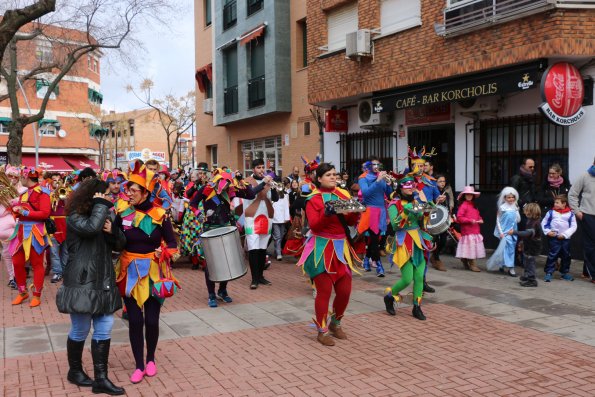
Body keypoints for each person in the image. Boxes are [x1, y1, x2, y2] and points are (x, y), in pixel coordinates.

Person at [56, 179, 126, 395]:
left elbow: (121, 244)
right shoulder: (76, 215)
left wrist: (112, 231)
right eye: (104, 194)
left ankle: (101, 379)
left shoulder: (104, 214)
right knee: (81, 328)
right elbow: (90, 228)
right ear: (94, 196)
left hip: (103, 278)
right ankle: (74, 371)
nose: (108, 198)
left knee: (104, 326)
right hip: (82, 280)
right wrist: (101, 208)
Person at [114, 161, 179, 384]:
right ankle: (139, 365)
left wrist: (167, 253)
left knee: (151, 321)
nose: (128, 193)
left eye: (133, 190)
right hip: (129, 272)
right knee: (134, 321)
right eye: (127, 189)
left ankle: (150, 359)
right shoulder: (121, 212)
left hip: (153, 272)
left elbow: (172, 243)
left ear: (145, 192)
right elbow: (115, 241)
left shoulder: (160, 214)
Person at [297, 163, 359, 346]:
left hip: (341, 248)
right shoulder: (313, 199)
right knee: (324, 292)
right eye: (329, 175)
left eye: (334, 174)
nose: (333, 177)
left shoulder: (343, 194)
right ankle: (321, 330)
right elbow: (315, 225)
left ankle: (336, 323)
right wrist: (327, 212)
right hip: (321, 248)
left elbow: (349, 221)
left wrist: (355, 213)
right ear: (320, 178)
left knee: (345, 291)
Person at [189, 169, 261, 306]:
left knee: (226, 261)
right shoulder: (206, 189)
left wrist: (240, 179)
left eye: (229, 184)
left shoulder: (231, 190)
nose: (227, 188)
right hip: (210, 228)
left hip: (227, 228)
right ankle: (211, 294)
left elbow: (251, 195)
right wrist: (198, 213)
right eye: (225, 184)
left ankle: (222, 290)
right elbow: (192, 204)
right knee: (210, 264)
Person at [383, 174, 433, 320]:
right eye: (407, 185)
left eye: (412, 185)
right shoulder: (394, 205)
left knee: (419, 277)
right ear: (400, 188)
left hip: (418, 242)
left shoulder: (417, 201)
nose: (411, 188)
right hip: (403, 242)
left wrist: (427, 211)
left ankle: (417, 308)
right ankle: (389, 295)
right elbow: (394, 225)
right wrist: (406, 211)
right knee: (407, 279)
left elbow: (422, 223)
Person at [9, 167, 52, 307]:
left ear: (27, 178)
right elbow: (22, 211)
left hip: (35, 232)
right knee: (16, 262)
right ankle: (22, 292)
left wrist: (24, 212)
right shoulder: (24, 193)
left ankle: (37, 295)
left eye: (22, 177)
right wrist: (15, 211)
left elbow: (45, 214)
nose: (20, 179)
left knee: (37, 264)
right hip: (21, 231)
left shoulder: (43, 193)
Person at [243, 159, 278, 289]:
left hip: (267, 217)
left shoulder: (268, 182)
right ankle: (254, 279)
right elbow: (251, 194)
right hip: (252, 218)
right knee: (253, 249)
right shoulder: (246, 181)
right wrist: (264, 183)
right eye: (258, 167)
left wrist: (273, 188)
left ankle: (261, 276)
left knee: (263, 249)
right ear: (253, 169)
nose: (261, 170)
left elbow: (275, 199)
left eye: (263, 167)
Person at [357, 157, 392, 276]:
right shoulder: (363, 178)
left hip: (381, 211)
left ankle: (367, 260)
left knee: (375, 239)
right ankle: (379, 265)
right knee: (374, 239)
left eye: (378, 164)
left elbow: (389, 194)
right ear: (369, 166)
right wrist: (377, 181)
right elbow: (365, 193)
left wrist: (389, 184)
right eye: (374, 164)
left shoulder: (381, 177)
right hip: (370, 211)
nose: (376, 166)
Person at [568, 157, 595, 282]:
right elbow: (572, 194)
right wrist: (577, 212)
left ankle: (586, 270)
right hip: (588, 214)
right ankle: (593, 274)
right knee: (591, 245)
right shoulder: (585, 176)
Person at [542, 195, 577, 282]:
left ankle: (564, 273)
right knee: (552, 255)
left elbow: (573, 226)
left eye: (557, 202)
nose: (555, 204)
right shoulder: (551, 212)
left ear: (564, 204)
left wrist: (565, 234)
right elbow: (544, 223)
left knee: (566, 255)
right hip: (554, 238)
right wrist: (548, 232)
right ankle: (549, 272)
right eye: (555, 202)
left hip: (566, 239)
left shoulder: (571, 214)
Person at [486, 187, 520, 276]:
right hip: (505, 232)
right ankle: (511, 268)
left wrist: (517, 211)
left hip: (513, 231)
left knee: (508, 249)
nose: (511, 199)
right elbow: (498, 220)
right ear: (504, 198)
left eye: (513, 197)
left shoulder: (515, 207)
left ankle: (502, 264)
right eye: (509, 197)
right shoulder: (502, 208)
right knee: (509, 250)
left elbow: (517, 220)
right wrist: (501, 232)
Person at [430, 174, 455, 270]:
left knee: (443, 240)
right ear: (435, 182)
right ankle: (436, 259)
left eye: (443, 181)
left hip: (443, 219)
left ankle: (434, 257)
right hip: (434, 219)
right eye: (440, 181)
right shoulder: (433, 192)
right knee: (435, 239)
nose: (442, 183)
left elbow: (448, 205)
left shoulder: (446, 193)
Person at [515, 203, 543, 288]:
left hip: (533, 246)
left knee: (530, 262)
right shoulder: (531, 221)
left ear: (531, 212)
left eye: (526, 211)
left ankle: (532, 280)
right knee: (526, 261)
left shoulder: (534, 223)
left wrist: (515, 232)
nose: (524, 213)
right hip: (528, 244)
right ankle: (527, 275)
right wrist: (522, 242)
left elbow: (528, 233)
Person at [49, 173, 70, 283]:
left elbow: (70, 207)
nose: (56, 182)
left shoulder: (67, 191)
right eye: (54, 180)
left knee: (65, 251)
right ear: (51, 181)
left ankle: (64, 272)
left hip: (65, 223)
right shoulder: (48, 193)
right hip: (54, 224)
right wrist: (53, 195)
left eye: (58, 180)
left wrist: (65, 197)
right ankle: (57, 272)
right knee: (54, 251)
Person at [0, 171, 18, 289]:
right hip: (3, 234)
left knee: (14, 254)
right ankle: (12, 277)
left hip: (13, 228)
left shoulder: (12, 193)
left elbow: (18, 204)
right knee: (6, 254)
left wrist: (9, 201)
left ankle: (17, 277)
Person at [271, 186, 290, 261]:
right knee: (278, 236)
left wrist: (286, 218)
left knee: (281, 236)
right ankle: (279, 253)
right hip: (274, 219)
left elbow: (286, 207)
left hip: (282, 219)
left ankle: (276, 250)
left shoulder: (284, 196)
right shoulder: (272, 196)